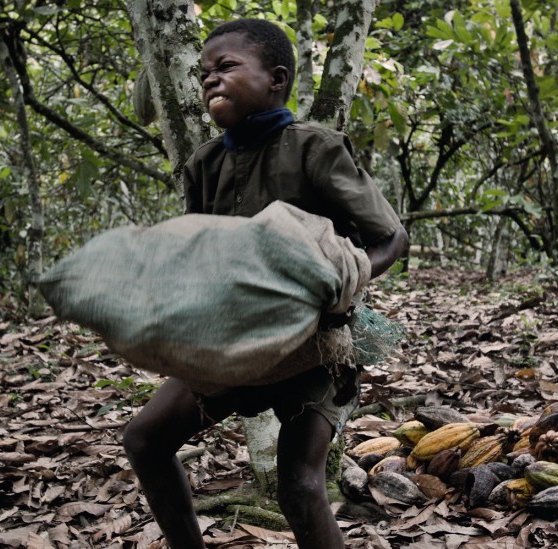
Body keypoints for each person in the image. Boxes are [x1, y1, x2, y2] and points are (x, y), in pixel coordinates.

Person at [121, 18, 409, 549]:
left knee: (299, 485)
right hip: (238, 344)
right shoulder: (204, 164)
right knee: (144, 439)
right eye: (204, 72)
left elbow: (392, 238)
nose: (210, 79)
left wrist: (340, 280)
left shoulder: (314, 148)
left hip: (314, 349)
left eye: (226, 67)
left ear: (276, 79)